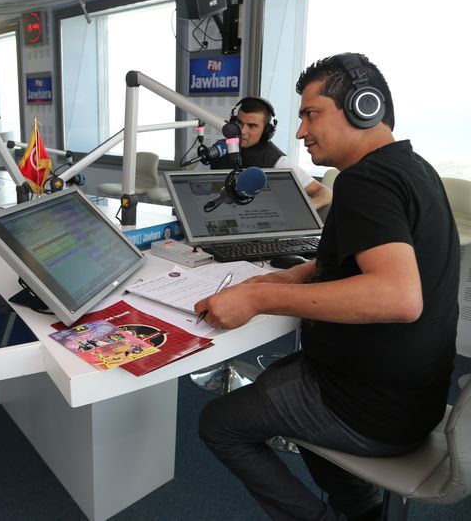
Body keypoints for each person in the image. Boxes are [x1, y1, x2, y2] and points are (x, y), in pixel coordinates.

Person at [196, 53, 459, 521]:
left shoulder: (364, 182)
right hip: (416, 398)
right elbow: (373, 253)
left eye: (311, 114)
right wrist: (296, 274)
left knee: (219, 423)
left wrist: (259, 297)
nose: (301, 132)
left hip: (372, 410)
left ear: (363, 106)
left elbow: (399, 297)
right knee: (279, 379)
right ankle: (360, 509)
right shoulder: (411, 168)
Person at [210, 96, 333, 209]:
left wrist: (302, 211)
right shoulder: (219, 150)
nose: (242, 131)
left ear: (266, 131)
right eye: (239, 123)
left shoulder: (278, 161)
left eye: (252, 126)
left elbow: (325, 193)